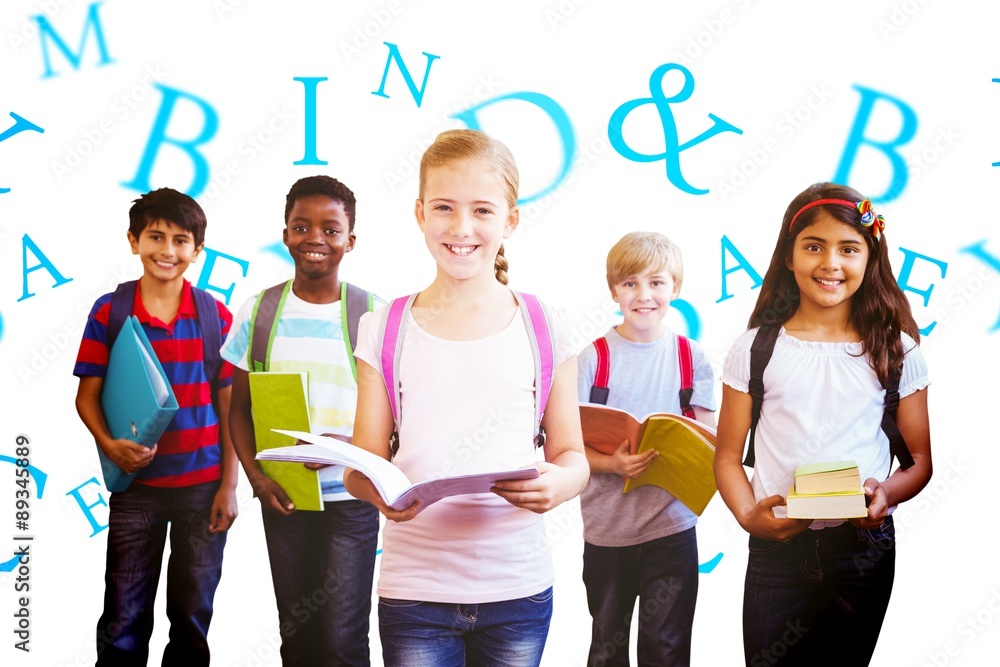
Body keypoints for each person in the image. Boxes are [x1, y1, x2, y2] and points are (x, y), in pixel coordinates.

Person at [343, 128, 590, 667]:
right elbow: (362, 466)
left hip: (519, 590)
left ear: (511, 219)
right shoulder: (383, 328)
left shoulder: (546, 325)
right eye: (444, 208)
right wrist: (377, 490)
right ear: (419, 213)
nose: (461, 228)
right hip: (415, 593)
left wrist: (562, 484)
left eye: (482, 210)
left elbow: (573, 455)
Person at [713, 182, 932, 666]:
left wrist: (888, 495)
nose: (831, 263)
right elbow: (727, 458)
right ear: (789, 257)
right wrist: (748, 516)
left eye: (849, 249)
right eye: (814, 246)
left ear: (870, 259)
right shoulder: (755, 348)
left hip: (862, 550)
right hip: (776, 547)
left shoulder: (897, 350)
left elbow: (919, 463)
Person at [73, 187, 238, 666]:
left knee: (192, 615)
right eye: (156, 237)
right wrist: (110, 445)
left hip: (203, 490)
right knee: (123, 616)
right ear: (133, 241)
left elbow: (231, 408)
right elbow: (86, 397)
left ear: (197, 251)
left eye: (181, 241)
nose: (168, 251)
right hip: (136, 488)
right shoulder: (111, 311)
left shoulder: (214, 316)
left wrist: (229, 485)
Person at [222, 175, 380, 666]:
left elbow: (399, 417)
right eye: (301, 226)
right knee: (297, 635)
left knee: (343, 641)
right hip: (283, 497)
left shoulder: (374, 314)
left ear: (350, 241)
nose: (315, 238)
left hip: (352, 498)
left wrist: (349, 445)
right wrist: (257, 481)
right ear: (286, 234)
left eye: (331, 230)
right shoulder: (260, 311)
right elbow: (239, 410)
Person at [577, 232, 716, 667]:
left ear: (675, 287)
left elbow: (711, 444)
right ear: (613, 289)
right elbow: (563, 450)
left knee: (667, 650)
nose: (644, 295)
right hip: (607, 533)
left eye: (656, 283)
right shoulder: (591, 359)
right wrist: (611, 463)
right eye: (630, 283)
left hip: (671, 531)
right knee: (606, 650)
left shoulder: (693, 359)